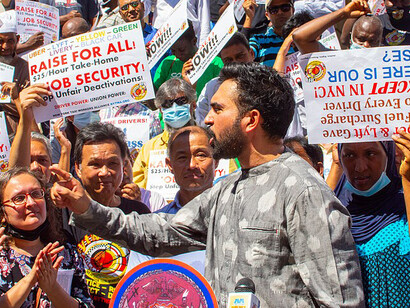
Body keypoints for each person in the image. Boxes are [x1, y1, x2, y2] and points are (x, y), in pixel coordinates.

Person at [51, 63, 364, 307]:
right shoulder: (225, 190)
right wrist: (85, 207)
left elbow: (339, 298)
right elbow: (159, 234)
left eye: (218, 109)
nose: (208, 120)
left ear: (251, 120)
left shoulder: (303, 190)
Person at [64, 121, 151, 308]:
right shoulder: (63, 212)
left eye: (112, 163)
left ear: (124, 166)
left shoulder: (139, 212)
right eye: (95, 164)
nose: (105, 172)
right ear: (78, 168)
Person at [127, 126, 218, 273]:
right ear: (170, 165)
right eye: (182, 158)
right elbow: (137, 285)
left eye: (201, 155)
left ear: (216, 161)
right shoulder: (154, 225)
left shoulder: (235, 215)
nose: (192, 165)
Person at [0, 167, 93, 307]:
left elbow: (86, 304)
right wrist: (32, 278)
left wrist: (52, 288)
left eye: (36, 194)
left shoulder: (66, 252)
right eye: (19, 198)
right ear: (3, 213)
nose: (31, 203)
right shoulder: (2, 256)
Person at [334, 139, 410, 307]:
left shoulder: (404, 207)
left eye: (370, 154)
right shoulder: (335, 210)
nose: (360, 167)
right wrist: (335, 165)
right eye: (349, 155)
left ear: (389, 155)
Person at [132, 78, 197, 189]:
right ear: (161, 110)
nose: (175, 108)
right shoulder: (149, 148)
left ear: (193, 105)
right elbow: (138, 188)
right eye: (168, 104)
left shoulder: (210, 143)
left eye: (181, 102)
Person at [195, 32, 254, 127]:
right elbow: (201, 122)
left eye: (240, 56)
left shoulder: (266, 83)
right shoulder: (211, 87)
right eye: (228, 60)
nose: (236, 63)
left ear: (251, 53)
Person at [153, 22, 223, 96]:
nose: (177, 54)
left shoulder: (215, 63)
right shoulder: (167, 63)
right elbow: (156, 97)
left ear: (194, 41)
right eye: (173, 51)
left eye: (182, 50)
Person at [293, 0, 382, 54]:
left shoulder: (388, 66)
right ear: (351, 39)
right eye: (361, 39)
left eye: (373, 41)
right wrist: (343, 13)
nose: (366, 45)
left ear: (380, 42)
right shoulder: (335, 59)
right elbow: (300, 37)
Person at [0, 10, 30, 136]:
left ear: (17, 39)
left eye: (10, 41)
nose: (5, 46)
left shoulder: (25, 68)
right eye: (0, 41)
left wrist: (15, 96)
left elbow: (28, 109)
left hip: (14, 133)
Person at [248, 0, 295, 66]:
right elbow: (245, 55)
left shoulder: (303, 36)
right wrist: (248, 18)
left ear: (293, 10)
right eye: (274, 10)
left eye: (285, 8)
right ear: (267, 15)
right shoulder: (258, 40)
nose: (280, 12)